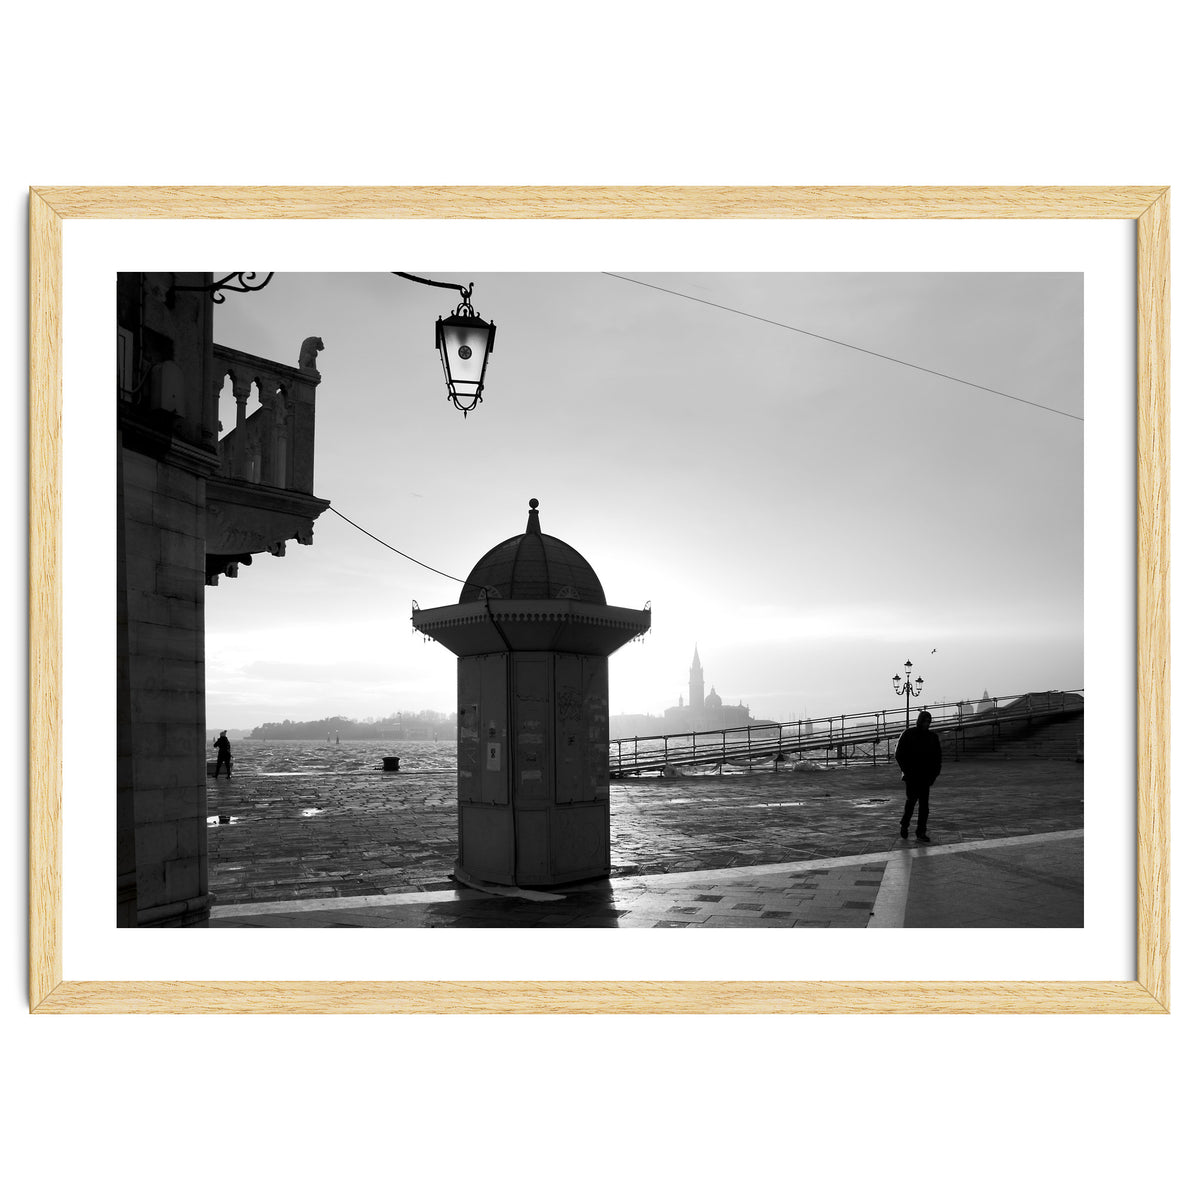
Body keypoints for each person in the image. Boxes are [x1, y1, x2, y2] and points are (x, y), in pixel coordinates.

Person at [894, 710, 940, 842]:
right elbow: (899, 754)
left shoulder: (932, 737)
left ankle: (921, 832)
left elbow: (937, 758)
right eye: (925, 721)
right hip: (912, 776)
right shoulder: (908, 734)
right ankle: (904, 824)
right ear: (920, 721)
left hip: (926, 776)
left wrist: (934, 774)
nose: (926, 724)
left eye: (928, 722)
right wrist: (906, 771)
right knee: (911, 802)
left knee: (924, 806)